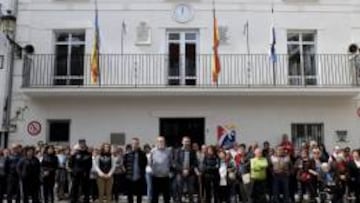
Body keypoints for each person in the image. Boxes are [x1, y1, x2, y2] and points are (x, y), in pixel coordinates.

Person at [174, 136, 200, 203]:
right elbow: (176, 163)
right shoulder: (178, 151)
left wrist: (188, 170)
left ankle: (191, 201)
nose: (186, 143)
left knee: (191, 190)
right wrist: (183, 170)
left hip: (190, 173)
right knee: (179, 189)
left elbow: (195, 163)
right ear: (182, 142)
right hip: (180, 172)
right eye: (185, 141)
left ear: (190, 142)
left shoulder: (193, 152)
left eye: (188, 141)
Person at [123, 137, 147, 203]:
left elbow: (145, 163)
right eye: (133, 143)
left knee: (139, 196)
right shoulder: (127, 154)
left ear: (138, 144)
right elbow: (124, 164)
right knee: (130, 195)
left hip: (139, 178)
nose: (135, 145)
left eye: (136, 143)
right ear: (131, 144)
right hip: (129, 178)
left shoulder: (142, 154)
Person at [150, 136, 173, 203]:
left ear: (165, 142)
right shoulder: (153, 151)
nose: (161, 143)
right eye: (159, 141)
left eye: (162, 141)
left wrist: (170, 172)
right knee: (154, 197)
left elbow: (171, 162)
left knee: (166, 197)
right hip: (155, 177)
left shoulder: (168, 151)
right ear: (157, 142)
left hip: (165, 177)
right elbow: (150, 163)